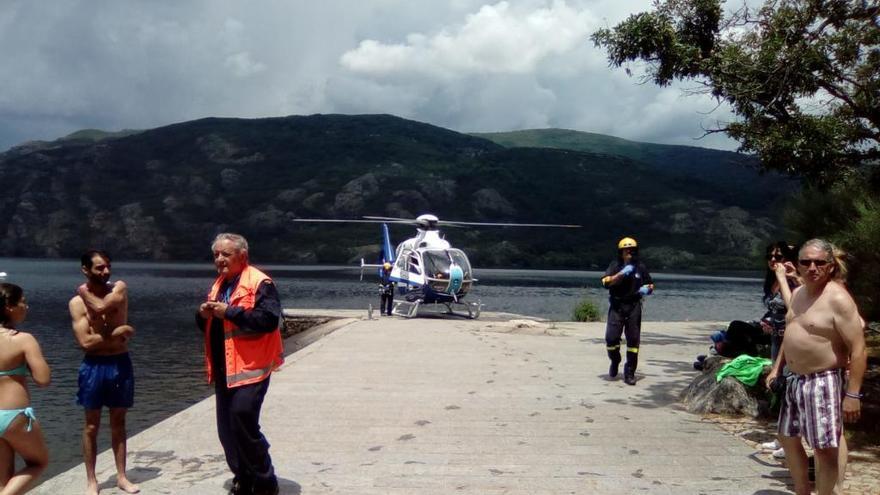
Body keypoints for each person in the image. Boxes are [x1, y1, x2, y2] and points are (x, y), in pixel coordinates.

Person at [765, 239, 866, 495]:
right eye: (806, 262)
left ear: (831, 266)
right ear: (797, 265)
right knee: (787, 438)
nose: (812, 267)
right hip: (795, 380)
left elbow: (858, 348)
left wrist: (853, 394)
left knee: (824, 448)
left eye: (819, 262)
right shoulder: (799, 294)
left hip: (823, 380)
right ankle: (802, 491)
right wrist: (778, 368)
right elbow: (793, 332)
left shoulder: (838, 299)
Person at [196, 233, 283, 495]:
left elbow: (269, 320)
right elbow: (211, 327)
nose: (219, 260)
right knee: (227, 429)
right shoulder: (219, 285)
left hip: (252, 367)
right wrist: (202, 315)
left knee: (242, 419)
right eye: (216, 255)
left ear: (242, 256)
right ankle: (243, 478)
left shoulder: (259, 282)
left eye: (225, 254)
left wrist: (228, 312)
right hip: (225, 368)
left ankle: (265, 480)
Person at [68, 250, 139, 495]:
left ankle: (121, 476)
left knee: (119, 421)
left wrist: (84, 291)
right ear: (85, 270)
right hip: (94, 366)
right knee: (90, 426)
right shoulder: (76, 303)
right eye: (99, 268)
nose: (106, 271)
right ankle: (91, 481)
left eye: (108, 266)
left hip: (119, 363)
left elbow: (99, 308)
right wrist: (116, 334)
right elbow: (85, 343)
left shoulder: (119, 289)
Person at [0, 283, 50, 494]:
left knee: (3, 479)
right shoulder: (23, 339)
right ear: (9, 307)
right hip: (14, 415)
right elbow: (43, 379)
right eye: (23, 302)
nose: (26, 307)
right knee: (38, 462)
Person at [600, 237, 654, 386]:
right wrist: (622, 274)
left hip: (633, 306)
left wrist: (647, 290)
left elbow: (650, 284)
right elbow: (605, 282)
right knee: (611, 339)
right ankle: (615, 360)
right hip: (617, 306)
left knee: (633, 341)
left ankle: (630, 371)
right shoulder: (615, 266)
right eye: (626, 250)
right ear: (621, 252)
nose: (629, 253)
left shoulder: (640, 267)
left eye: (632, 250)